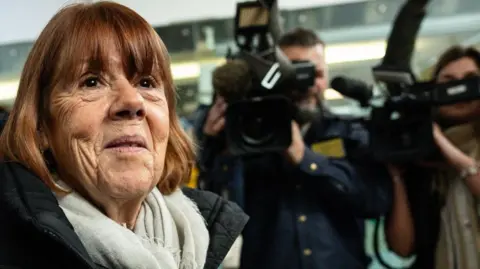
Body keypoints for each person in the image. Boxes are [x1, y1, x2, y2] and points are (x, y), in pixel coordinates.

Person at [0, 2, 248, 269]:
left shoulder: (209, 239)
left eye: (146, 82)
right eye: (91, 81)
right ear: (41, 126)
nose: (132, 101)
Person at [196, 27, 393, 269]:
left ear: (326, 77)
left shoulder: (350, 132)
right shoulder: (247, 138)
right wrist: (217, 146)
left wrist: (305, 158)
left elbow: (375, 201)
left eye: (315, 73)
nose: (306, 84)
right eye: (295, 73)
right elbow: (218, 219)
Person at [386, 46, 480, 269]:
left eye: (470, 80)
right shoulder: (420, 159)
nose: (458, 89)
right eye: (448, 82)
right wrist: (396, 177)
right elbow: (403, 247)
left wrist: (440, 140)